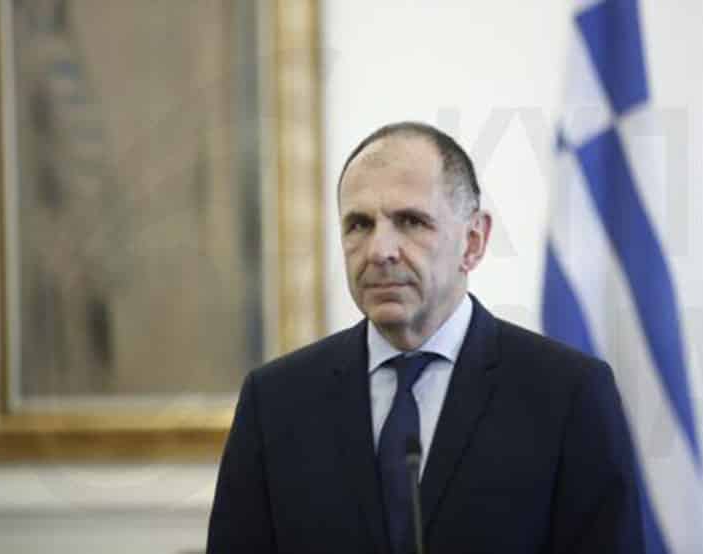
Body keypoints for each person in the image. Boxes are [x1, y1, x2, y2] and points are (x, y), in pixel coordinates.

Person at [207, 122, 645, 554]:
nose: (380, 251)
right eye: (359, 224)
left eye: (411, 221)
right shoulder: (275, 400)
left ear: (473, 241)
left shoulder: (568, 394)